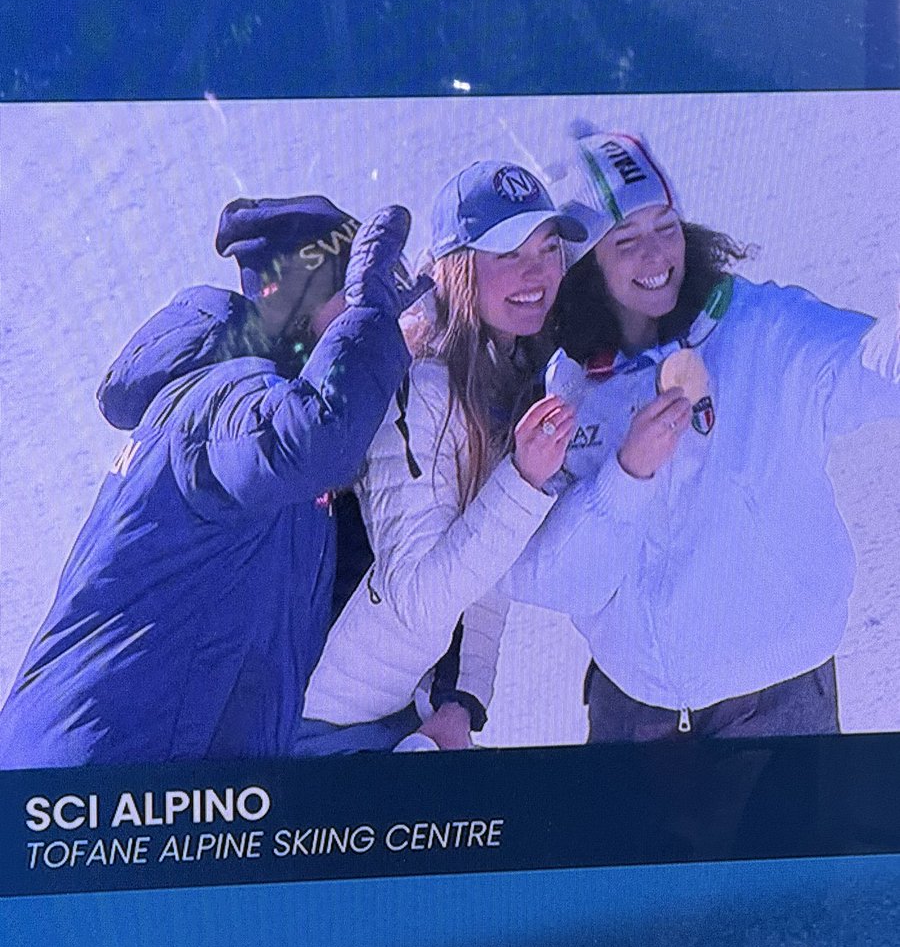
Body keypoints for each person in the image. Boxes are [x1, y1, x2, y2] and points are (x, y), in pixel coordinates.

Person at [499, 126, 900, 742]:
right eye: (625, 240)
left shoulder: (765, 328)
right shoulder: (567, 385)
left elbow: (867, 365)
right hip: (632, 712)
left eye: (667, 227)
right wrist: (629, 474)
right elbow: (552, 581)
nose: (656, 257)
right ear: (584, 266)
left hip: (778, 710)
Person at [0, 198, 425, 766]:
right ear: (299, 305)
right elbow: (312, 438)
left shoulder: (259, 449)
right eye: (346, 299)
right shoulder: (222, 398)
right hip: (107, 777)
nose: (373, 317)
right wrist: (370, 316)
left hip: (135, 776)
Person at [302, 159, 689, 749]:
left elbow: (491, 568)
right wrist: (524, 481)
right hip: (334, 710)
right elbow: (417, 595)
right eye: (507, 253)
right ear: (458, 267)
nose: (536, 272)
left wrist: (460, 702)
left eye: (548, 247)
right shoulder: (423, 384)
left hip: (405, 702)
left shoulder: (509, 366)